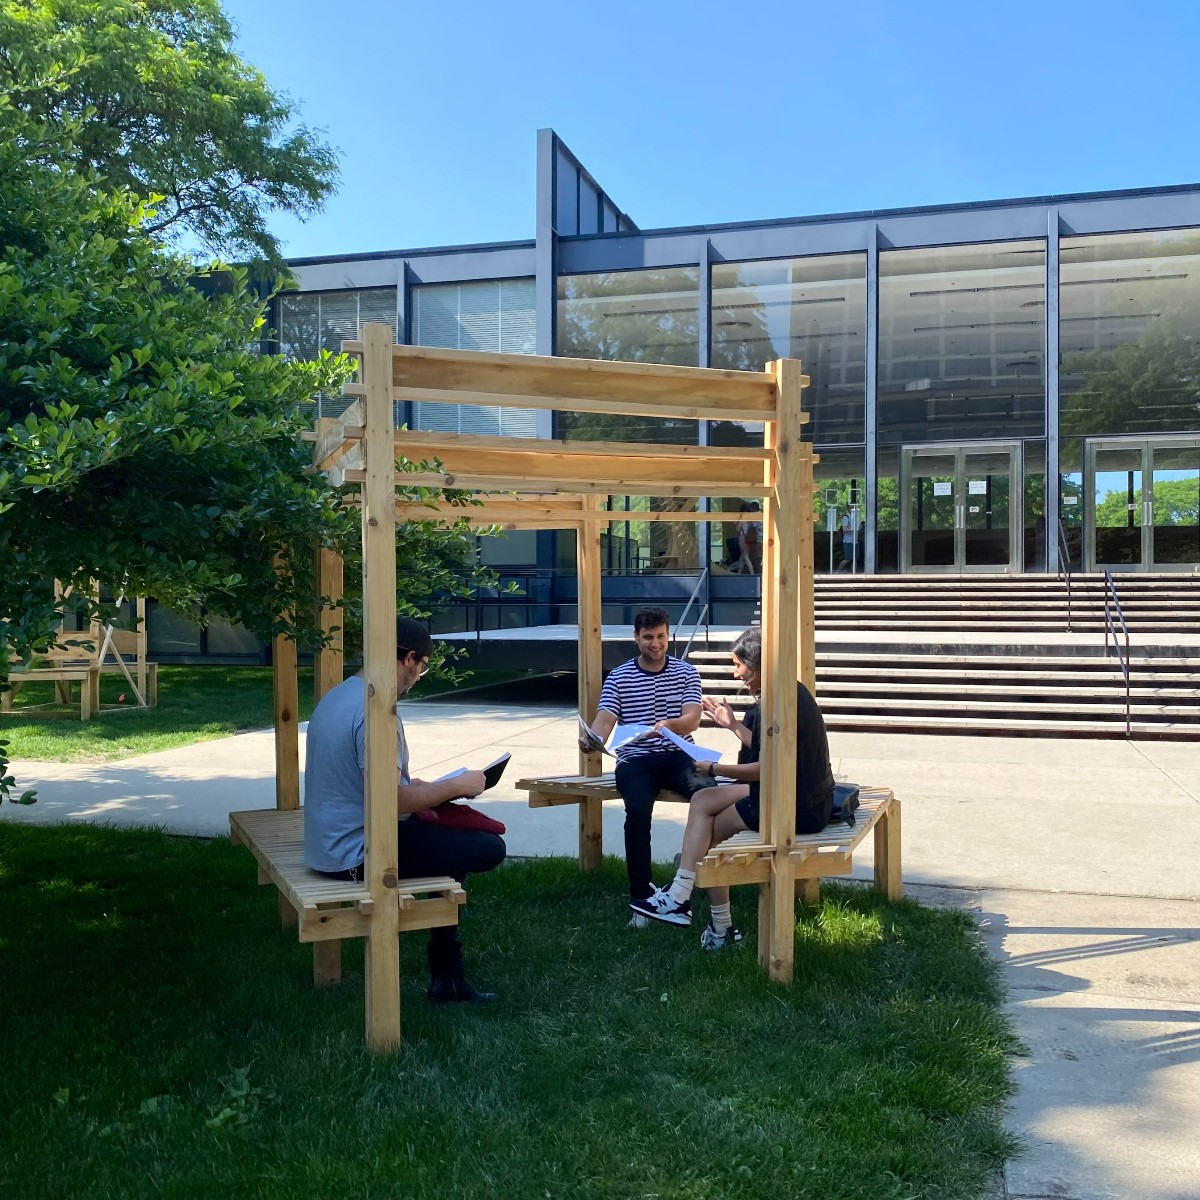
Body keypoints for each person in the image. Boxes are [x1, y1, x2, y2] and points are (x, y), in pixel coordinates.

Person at [304, 615, 506, 1003]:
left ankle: (448, 976)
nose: (418, 676)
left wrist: (435, 789)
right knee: (485, 847)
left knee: (450, 845)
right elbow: (389, 801)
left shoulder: (339, 696)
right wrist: (458, 785)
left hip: (328, 843)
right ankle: (447, 976)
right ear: (410, 658)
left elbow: (373, 785)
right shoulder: (377, 711)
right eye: (423, 666)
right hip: (358, 852)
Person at [633, 626, 836, 947]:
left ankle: (718, 926)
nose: (735, 672)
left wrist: (714, 767)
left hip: (792, 805)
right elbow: (773, 751)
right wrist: (733, 725)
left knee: (709, 840)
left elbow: (768, 769)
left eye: (739, 664)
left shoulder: (769, 707)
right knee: (704, 799)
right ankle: (681, 894)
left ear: (756, 666)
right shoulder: (790, 691)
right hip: (805, 796)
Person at [578, 606, 705, 922]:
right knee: (636, 812)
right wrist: (592, 738)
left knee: (710, 798)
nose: (656, 643)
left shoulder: (686, 672)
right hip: (636, 758)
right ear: (636, 638)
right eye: (648, 637)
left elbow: (693, 720)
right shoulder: (620, 676)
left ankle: (689, 882)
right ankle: (642, 897)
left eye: (661, 636)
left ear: (668, 634)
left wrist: (670, 724)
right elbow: (605, 720)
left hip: (680, 754)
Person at [734, 502, 763, 574]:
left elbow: (737, 530)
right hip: (749, 538)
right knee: (742, 557)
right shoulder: (750, 519)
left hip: (743, 538)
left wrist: (735, 523)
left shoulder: (743, 518)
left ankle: (752, 574)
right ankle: (739, 573)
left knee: (746, 557)